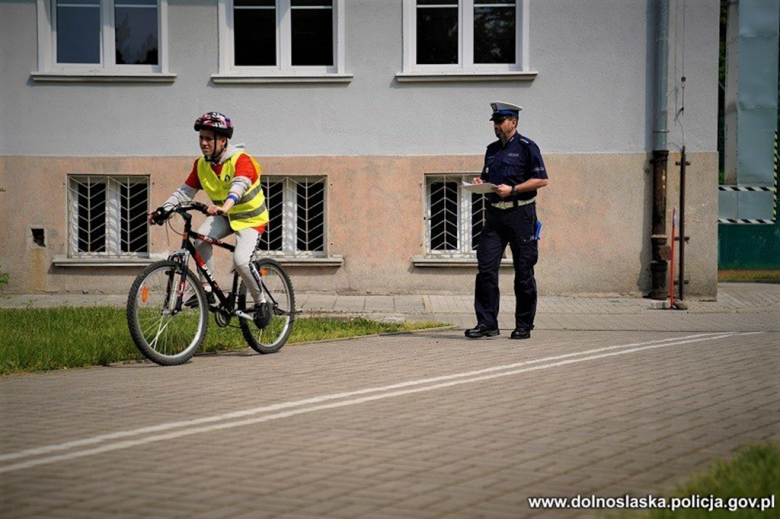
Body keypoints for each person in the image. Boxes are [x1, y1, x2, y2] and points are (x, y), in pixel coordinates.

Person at [149, 111, 269, 315]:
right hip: (225, 216)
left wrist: (226, 206)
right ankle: (206, 290)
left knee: (241, 261)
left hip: (251, 219)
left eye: (208, 138)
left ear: (222, 141)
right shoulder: (202, 165)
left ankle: (262, 303)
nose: (203, 143)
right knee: (200, 241)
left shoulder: (242, 160)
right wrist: (164, 210)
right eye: (200, 138)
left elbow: (239, 186)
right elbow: (184, 192)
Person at [465, 102, 549, 340]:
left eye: (501, 122)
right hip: (494, 216)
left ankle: (523, 324)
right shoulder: (491, 149)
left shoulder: (527, 147)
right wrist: (480, 182)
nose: (497, 127)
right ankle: (487, 323)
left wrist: (513, 189)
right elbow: (488, 175)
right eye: (494, 123)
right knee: (486, 269)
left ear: (514, 122)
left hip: (521, 214)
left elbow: (541, 180)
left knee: (523, 271)